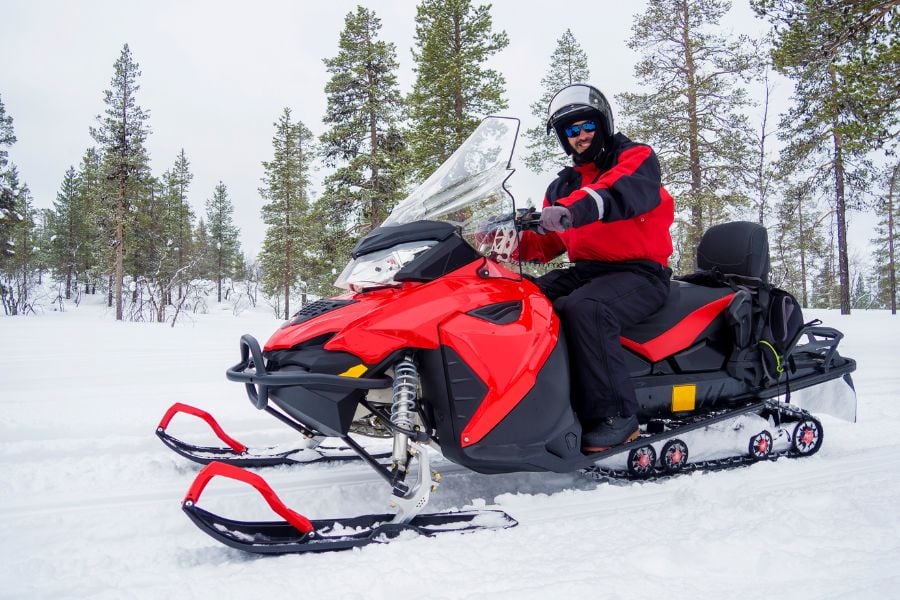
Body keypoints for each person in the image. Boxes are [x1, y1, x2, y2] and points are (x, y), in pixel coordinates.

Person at [517, 83, 675, 452]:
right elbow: (547, 242)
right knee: (522, 296)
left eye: (587, 126)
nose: (581, 136)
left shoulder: (634, 159)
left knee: (586, 308)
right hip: (588, 269)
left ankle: (616, 417)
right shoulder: (563, 184)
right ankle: (532, 403)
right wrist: (504, 238)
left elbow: (614, 193)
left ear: (602, 124)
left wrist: (572, 211)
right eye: (571, 131)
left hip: (640, 273)